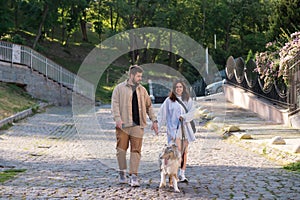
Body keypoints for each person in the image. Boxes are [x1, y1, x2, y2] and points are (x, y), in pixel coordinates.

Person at [111, 65, 158, 187]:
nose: (140, 78)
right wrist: (117, 119)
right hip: (123, 125)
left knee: (136, 150)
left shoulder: (142, 90)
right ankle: (122, 172)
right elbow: (115, 105)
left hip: (138, 125)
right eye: (138, 76)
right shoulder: (119, 89)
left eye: (141, 76)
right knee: (121, 150)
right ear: (131, 75)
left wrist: (154, 120)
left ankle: (134, 175)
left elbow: (149, 106)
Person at [157, 79, 196, 182]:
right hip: (174, 129)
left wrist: (184, 116)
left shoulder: (188, 100)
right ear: (174, 89)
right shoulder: (169, 101)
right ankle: (170, 174)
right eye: (177, 87)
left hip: (185, 129)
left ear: (183, 88)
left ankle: (182, 174)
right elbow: (162, 114)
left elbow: (193, 112)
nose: (179, 89)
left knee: (184, 152)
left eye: (180, 87)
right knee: (175, 152)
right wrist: (158, 125)